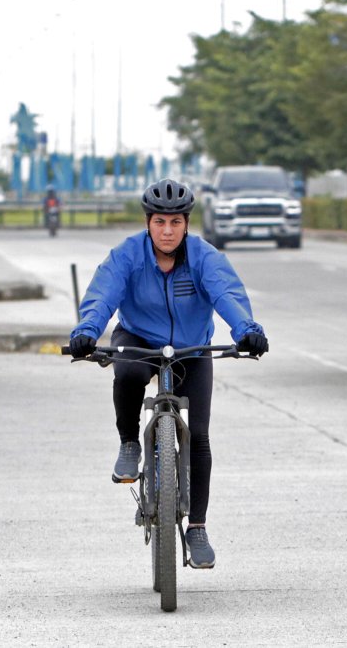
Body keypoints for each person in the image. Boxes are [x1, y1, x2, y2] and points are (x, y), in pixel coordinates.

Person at [67, 178, 268, 569]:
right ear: (148, 223)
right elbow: (103, 294)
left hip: (192, 349)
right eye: (160, 222)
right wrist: (86, 332)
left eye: (176, 223)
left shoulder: (203, 257)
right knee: (125, 373)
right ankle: (129, 443)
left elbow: (227, 293)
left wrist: (247, 331)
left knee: (200, 437)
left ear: (187, 224)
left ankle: (197, 527)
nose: (167, 231)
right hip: (139, 338)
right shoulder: (127, 255)